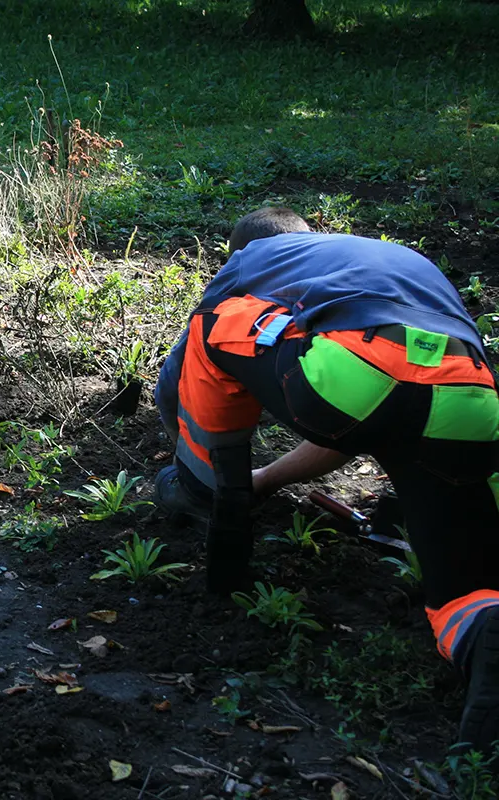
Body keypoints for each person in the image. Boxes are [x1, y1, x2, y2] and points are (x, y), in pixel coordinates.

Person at [153, 206, 499, 749]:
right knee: (465, 586)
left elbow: (177, 381)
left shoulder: (251, 262)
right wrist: (267, 479)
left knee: (210, 325)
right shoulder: (389, 259)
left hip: (352, 376)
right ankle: (482, 632)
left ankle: (204, 491)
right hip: (472, 399)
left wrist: (194, 460)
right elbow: (375, 406)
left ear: (238, 250)